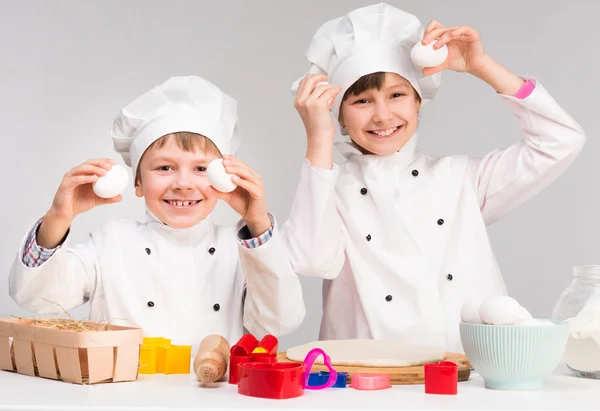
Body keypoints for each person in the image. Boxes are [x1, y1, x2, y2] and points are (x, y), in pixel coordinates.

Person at [283, 3, 585, 352]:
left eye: (397, 95)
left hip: (463, 373)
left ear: (418, 101)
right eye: (362, 100)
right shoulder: (327, 187)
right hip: (363, 379)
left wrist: (482, 66)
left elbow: (561, 141)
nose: (383, 115)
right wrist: (317, 137)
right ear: (339, 115)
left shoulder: (460, 180)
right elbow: (310, 259)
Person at [9, 75, 306, 345]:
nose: (183, 184)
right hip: (126, 400)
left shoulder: (239, 250)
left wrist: (258, 227)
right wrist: (59, 217)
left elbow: (280, 320)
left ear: (225, 179)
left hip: (213, 399)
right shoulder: (111, 243)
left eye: (201, 168)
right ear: (138, 182)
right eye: (165, 167)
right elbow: (35, 296)